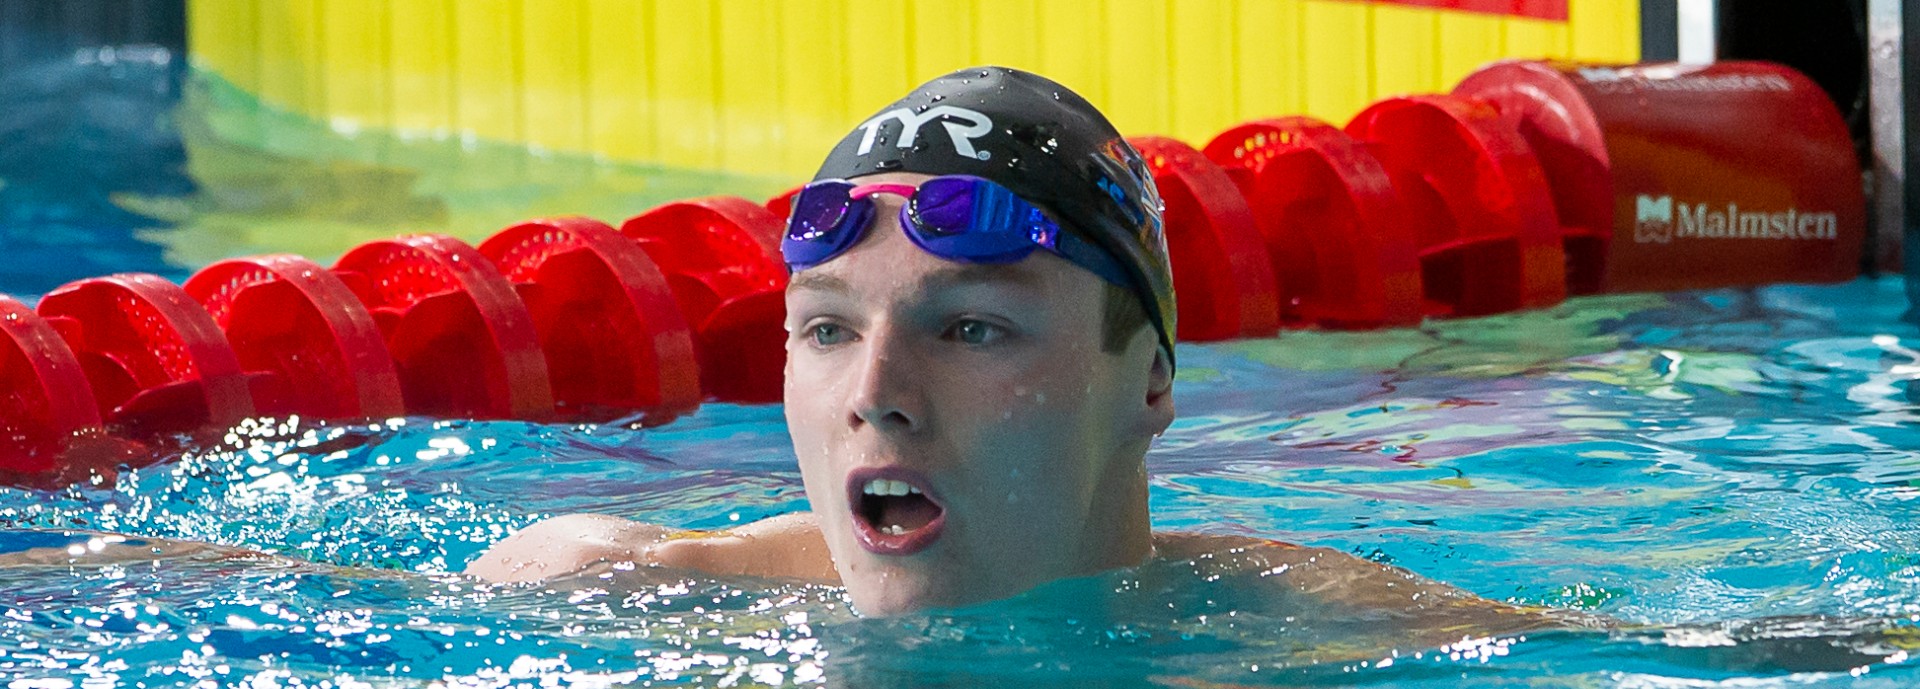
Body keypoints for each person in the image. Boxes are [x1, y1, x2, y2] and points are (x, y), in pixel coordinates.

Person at [462, 67, 1604, 639]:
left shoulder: (1329, 637)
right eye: (827, 328)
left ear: (1151, 380)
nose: (875, 398)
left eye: (969, 328)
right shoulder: (620, 596)